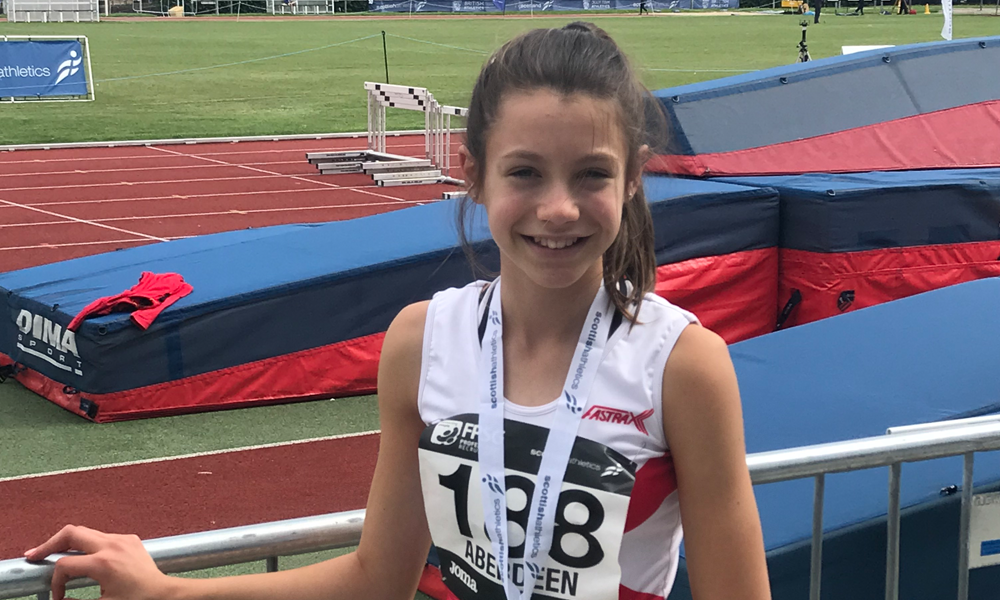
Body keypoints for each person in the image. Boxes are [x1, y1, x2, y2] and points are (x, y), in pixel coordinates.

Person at [24, 22, 771, 600]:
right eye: (525, 172)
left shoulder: (680, 365)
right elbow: (377, 577)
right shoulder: (425, 341)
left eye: (591, 175)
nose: (558, 207)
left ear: (633, 180)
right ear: (474, 175)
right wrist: (165, 586)